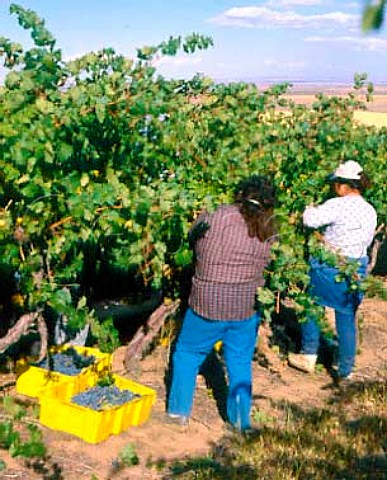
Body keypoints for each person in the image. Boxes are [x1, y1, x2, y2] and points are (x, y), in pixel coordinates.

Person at [166, 175, 276, 432]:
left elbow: (192, 238)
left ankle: (177, 413)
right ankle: (240, 422)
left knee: (188, 353)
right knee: (239, 359)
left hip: (207, 303)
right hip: (244, 306)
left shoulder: (215, 214)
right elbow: (269, 263)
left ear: (239, 193)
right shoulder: (269, 227)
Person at [288, 160, 377, 384]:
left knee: (311, 304)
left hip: (330, 266)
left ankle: (308, 354)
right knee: (346, 317)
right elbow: (366, 241)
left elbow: (309, 220)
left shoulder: (337, 205)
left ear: (342, 185)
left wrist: (308, 206)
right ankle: (345, 370)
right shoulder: (370, 210)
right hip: (356, 269)